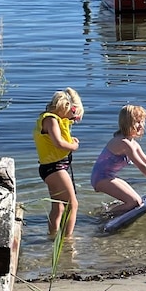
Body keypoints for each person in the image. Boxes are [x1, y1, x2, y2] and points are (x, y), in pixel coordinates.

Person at [90, 104, 146, 217]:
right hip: (101, 178)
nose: (141, 125)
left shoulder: (133, 143)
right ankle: (103, 216)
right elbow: (142, 166)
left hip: (109, 175)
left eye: (142, 121)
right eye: (137, 122)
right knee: (134, 202)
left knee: (138, 201)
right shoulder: (124, 143)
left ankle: (109, 209)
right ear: (127, 123)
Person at [34, 88, 83, 238]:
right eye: (73, 112)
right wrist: (73, 146)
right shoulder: (51, 120)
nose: (73, 118)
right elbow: (58, 143)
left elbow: (55, 139)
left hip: (50, 167)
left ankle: (52, 237)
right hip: (55, 168)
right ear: (66, 106)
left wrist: (71, 139)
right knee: (72, 204)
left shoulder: (52, 119)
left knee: (59, 206)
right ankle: (67, 240)